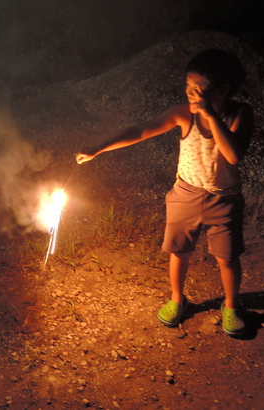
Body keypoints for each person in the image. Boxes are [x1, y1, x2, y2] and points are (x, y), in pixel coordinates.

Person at [76, 49, 253, 337]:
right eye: (188, 86)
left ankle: (231, 305)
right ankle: (176, 298)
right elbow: (142, 130)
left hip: (224, 197)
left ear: (222, 90)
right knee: (178, 250)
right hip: (185, 193)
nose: (190, 93)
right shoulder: (184, 114)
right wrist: (99, 148)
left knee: (227, 257)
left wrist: (209, 114)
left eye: (199, 89)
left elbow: (233, 155)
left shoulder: (239, 113)